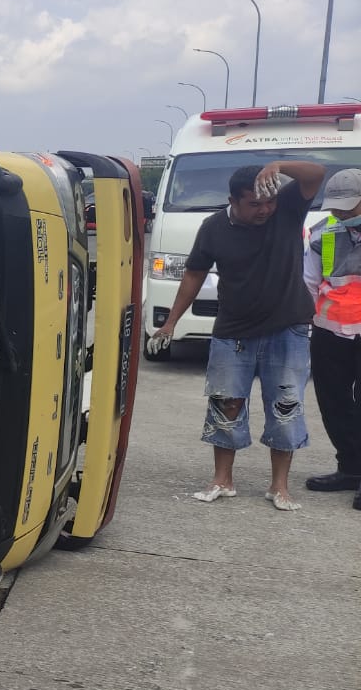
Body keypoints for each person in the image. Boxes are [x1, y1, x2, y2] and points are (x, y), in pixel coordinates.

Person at [148, 159, 326, 510]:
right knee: (225, 403)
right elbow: (194, 275)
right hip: (234, 331)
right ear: (233, 201)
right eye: (254, 204)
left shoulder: (287, 208)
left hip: (287, 328)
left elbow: (316, 174)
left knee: (285, 406)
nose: (264, 210)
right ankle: (222, 480)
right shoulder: (213, 228)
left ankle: (279, 486)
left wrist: (280, 165)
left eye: (268, 202)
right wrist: (170, 322)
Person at [302, 168, 361, 506]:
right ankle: (350, 468)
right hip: (330, 332)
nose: (340, 214)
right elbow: (310, 282)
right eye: (337, 207)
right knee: (333, 403)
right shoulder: (322, 233)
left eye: (348, 208)